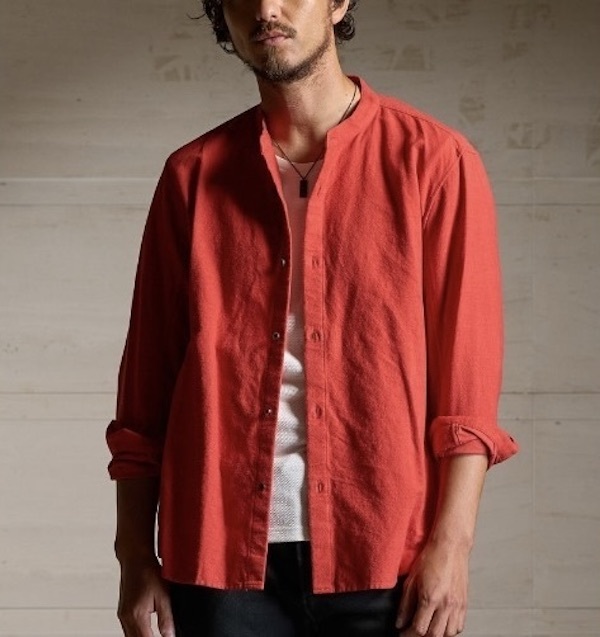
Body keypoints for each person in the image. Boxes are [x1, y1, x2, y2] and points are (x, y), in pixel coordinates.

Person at [106, 1, 519, 636]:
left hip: (384, 554)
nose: (266, 8)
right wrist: (135, 556)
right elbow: (144, 395)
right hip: (218, 562)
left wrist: (453, 546)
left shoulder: (434, 162)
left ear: (339, 2)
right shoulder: (191, 177)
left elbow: (467, 391)